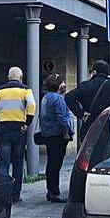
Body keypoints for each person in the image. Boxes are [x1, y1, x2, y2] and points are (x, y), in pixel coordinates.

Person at [65, 60, 110, 143]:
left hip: (90, 129)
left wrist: (81, 114)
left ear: (94, 72)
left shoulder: (85, 85)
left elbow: (69, 97)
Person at [0, 66, 36, 203]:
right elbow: (32, 106)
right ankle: (16, 194)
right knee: (17, 162)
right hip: (19, 129)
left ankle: (3, 194)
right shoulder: (25, 90)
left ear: (8, 77)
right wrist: (27, 123)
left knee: (3, 163)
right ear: (21, 77)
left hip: (3, 129)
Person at [39, 74, 75, 203]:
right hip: (58, 135)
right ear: (58, 85)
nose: (65, 85)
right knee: (56, 164)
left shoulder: (46, 98)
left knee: (51, 163)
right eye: (63, 82)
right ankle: (54, 191)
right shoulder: (58, 99)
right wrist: (68, 132)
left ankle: (51, 190)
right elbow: (62, 118)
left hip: (48, 134)